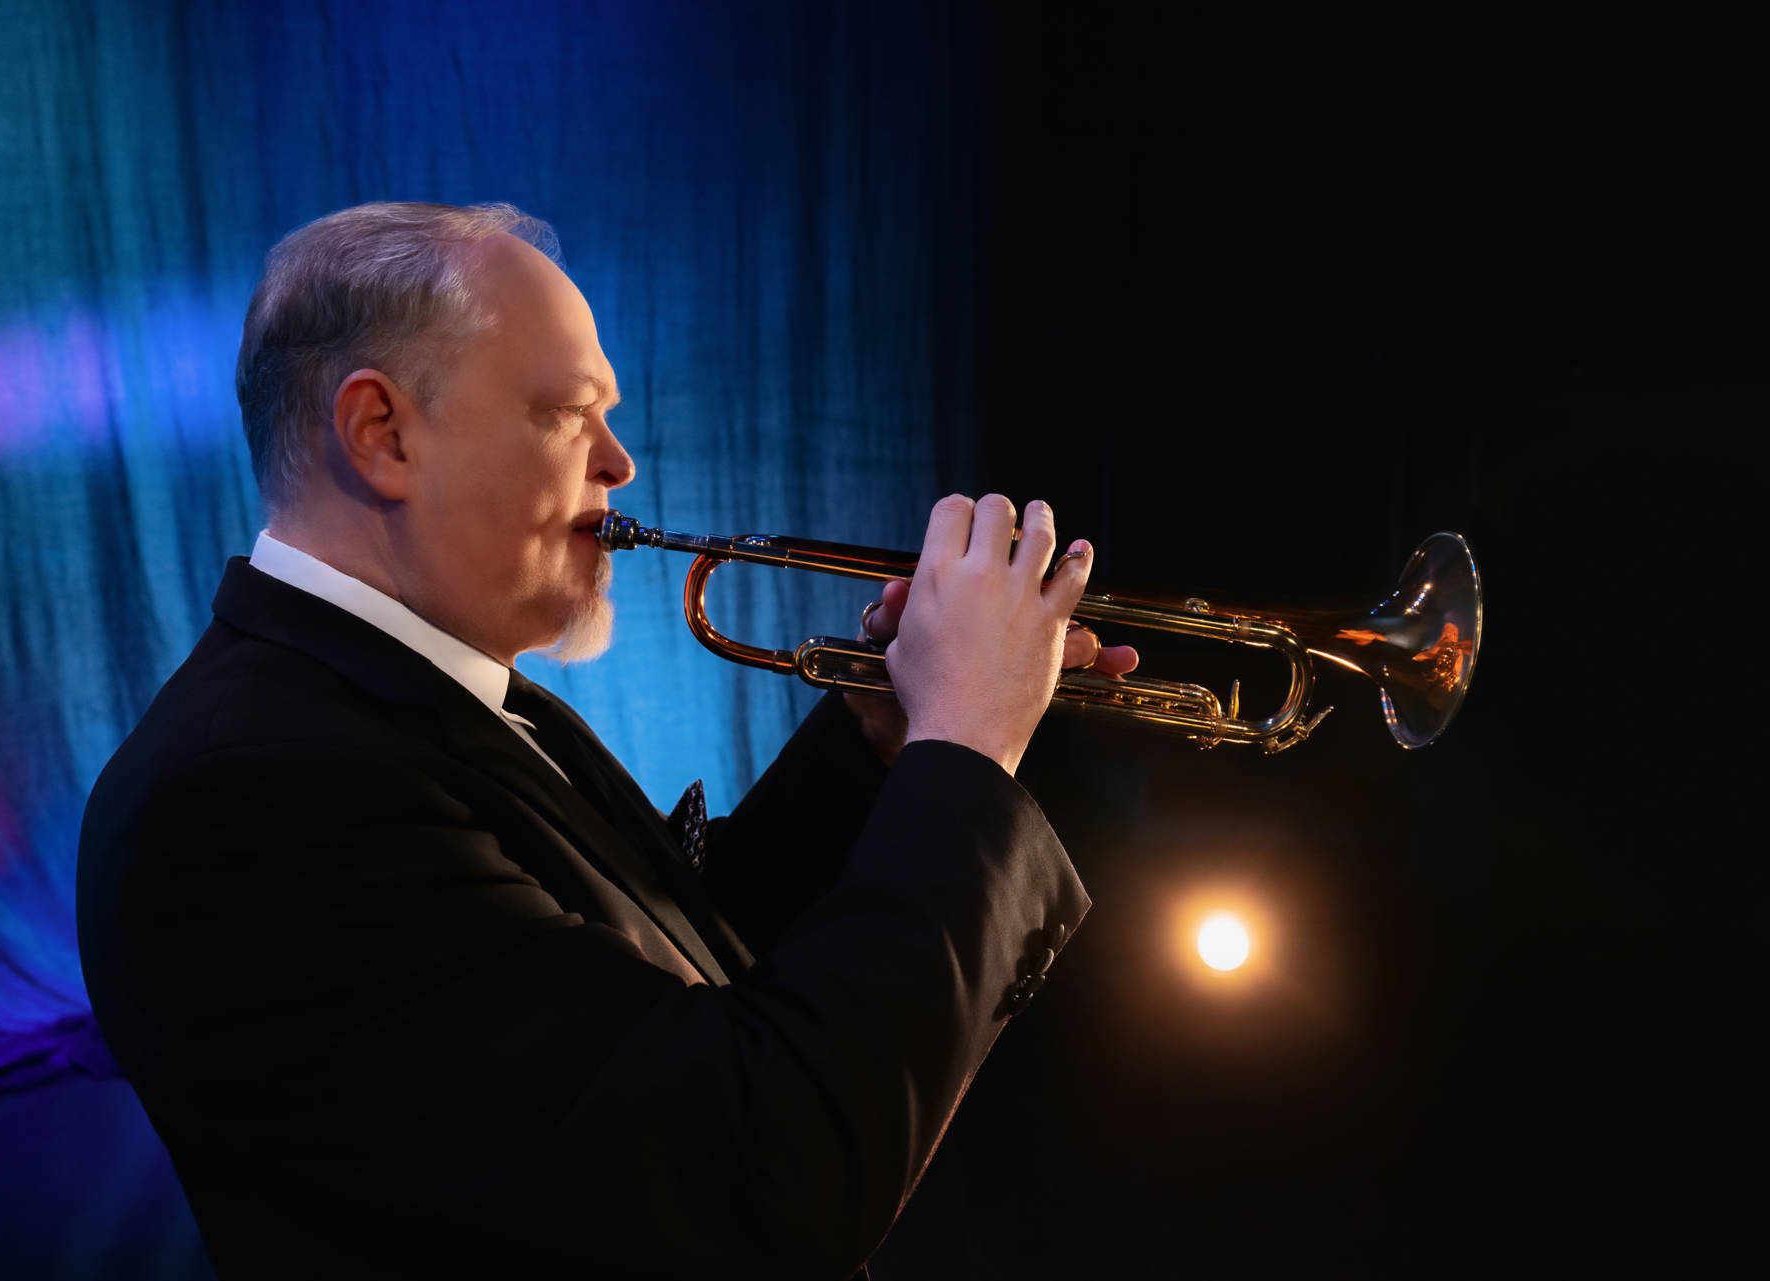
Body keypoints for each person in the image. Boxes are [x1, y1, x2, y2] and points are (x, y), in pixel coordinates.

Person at [76, 202, 1135, 1279]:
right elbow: (752, 1180)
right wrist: (964, 750)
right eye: (569, 415)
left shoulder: (435, 695)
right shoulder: (255, 799)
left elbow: (665, 981)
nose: (620, 464)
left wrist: (888, 742)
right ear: (382, 433)